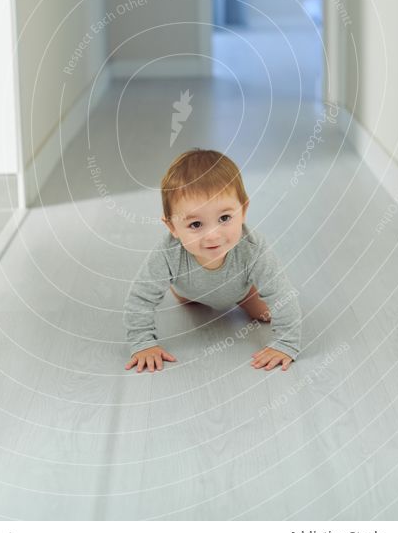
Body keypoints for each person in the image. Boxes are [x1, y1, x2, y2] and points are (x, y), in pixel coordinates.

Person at [123, 148, 302, 373]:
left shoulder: (252, 249)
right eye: (196, 225)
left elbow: (282, 295)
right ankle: (187, 294)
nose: (213, 236)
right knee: (188, 299)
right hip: (187, 290)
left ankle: (246, 296)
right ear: (172, 226)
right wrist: (143, 344)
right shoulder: (168, 253)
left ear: (243, 210)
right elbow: (140, 298)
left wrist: (285, 344)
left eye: (225, 218)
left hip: (241, 290)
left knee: (263, 314)